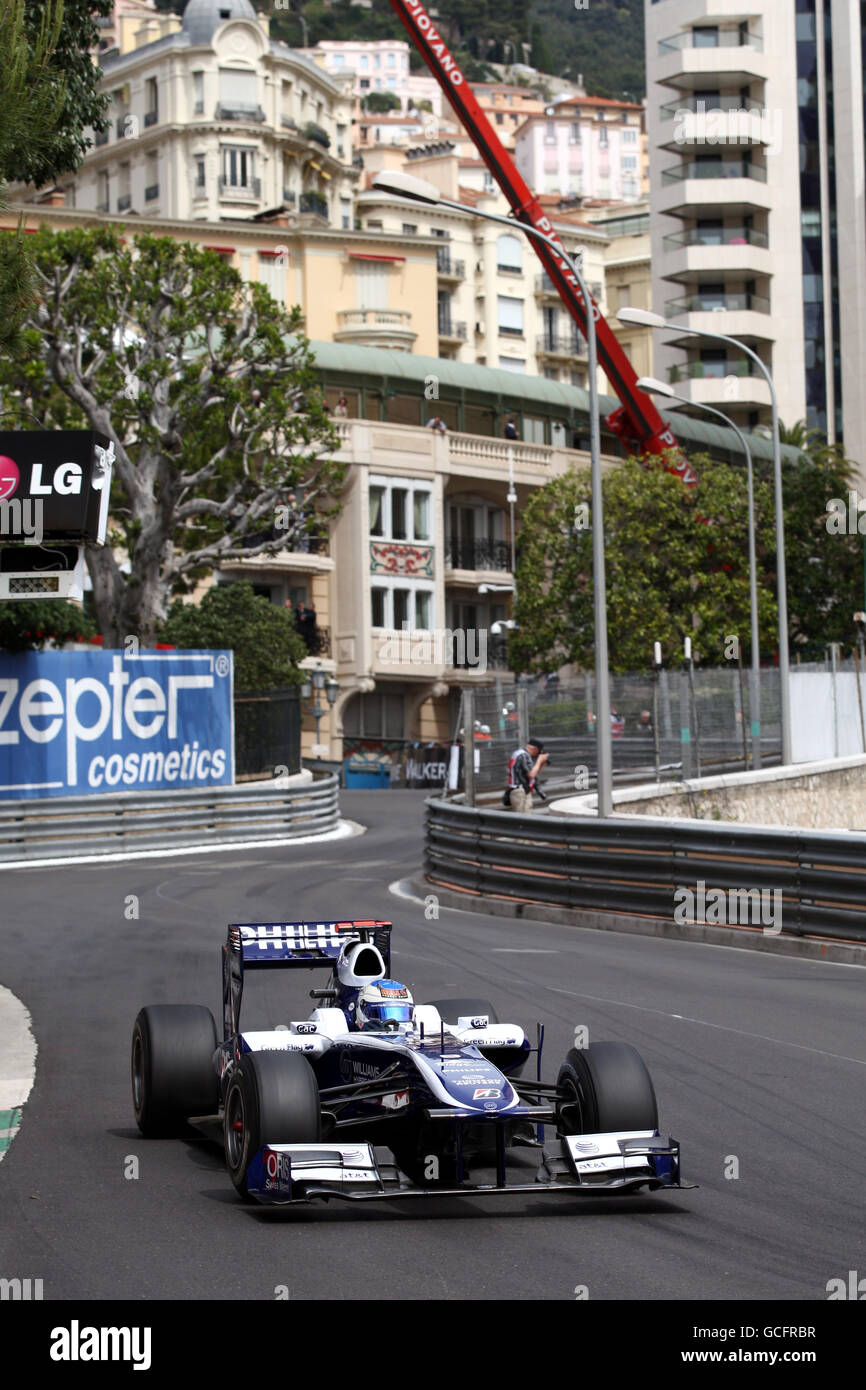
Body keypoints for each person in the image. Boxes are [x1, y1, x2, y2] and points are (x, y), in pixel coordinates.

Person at [505, 736, 549, 813]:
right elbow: (531, 774)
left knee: (526, 817)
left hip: (521, 790)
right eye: (538, 752)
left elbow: (533, 774)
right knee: (523, 820)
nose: (537, 755)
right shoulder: (523, 755)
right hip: (519, 791)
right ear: (535, 749)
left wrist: (542, 763)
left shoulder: (519, 753)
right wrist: (539, 760)